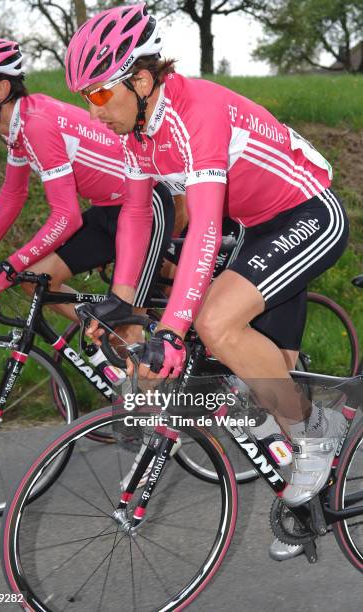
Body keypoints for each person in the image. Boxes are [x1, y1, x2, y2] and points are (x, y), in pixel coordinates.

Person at [65, 3, 349, 560]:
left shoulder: (199, 111)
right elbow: (137, 217)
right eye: (85, 98)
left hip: (308, 214)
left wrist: (170, 328)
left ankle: (321, 432)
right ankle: (308, 507)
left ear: (141, 80)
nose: (93, 111)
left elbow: (206, 224)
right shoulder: (140, 133)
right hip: (260, 231)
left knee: (212, 323)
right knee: (263, 382)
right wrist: (121, 302)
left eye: (99, 94)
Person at [0, 37, 174, 324]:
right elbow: (13, 193)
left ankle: (124, 344)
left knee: (128, 333)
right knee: (35, 280)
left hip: (146, 206)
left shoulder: (36, 124)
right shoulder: (16, 125)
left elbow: (66, 216)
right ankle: (102, 352)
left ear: (0, 88)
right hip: (108, 211)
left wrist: (9, 266)